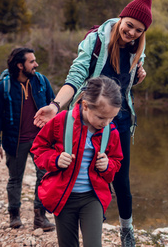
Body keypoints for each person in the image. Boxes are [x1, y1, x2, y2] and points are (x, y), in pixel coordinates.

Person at [34, 0, 152, 246]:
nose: (131, 32)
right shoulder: (96, 41)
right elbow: (76, 76)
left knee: (119, 175)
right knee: (77, 166)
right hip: (89, 115)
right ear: (121, 18)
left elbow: (133, 77)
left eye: (138, 30)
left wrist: (140, 73)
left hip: (119, 119)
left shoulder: (137, 52)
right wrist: (56, 105)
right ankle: (75, 212)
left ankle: (126, 230)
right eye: (129, 25)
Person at [31, 76, 124, 247]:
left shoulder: (111, 132)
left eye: (112, 118)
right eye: (102, 117)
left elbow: (117, 161)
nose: (107, 123)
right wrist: (56, 159)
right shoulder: (61, 121)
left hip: (92, 198)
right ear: (86, 105)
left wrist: (108, 165)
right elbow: (39, 149)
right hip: (63, 196)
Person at [0, 47, 56, 231]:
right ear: (20, 65)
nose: (36, 64)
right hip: (15, 142)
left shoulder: (41, 81)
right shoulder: (3, 88)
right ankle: (14, 215)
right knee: (15, 179)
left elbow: (54, 106)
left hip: (41, 140)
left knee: (44, 176)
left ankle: (40, 217)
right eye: (32, 61)